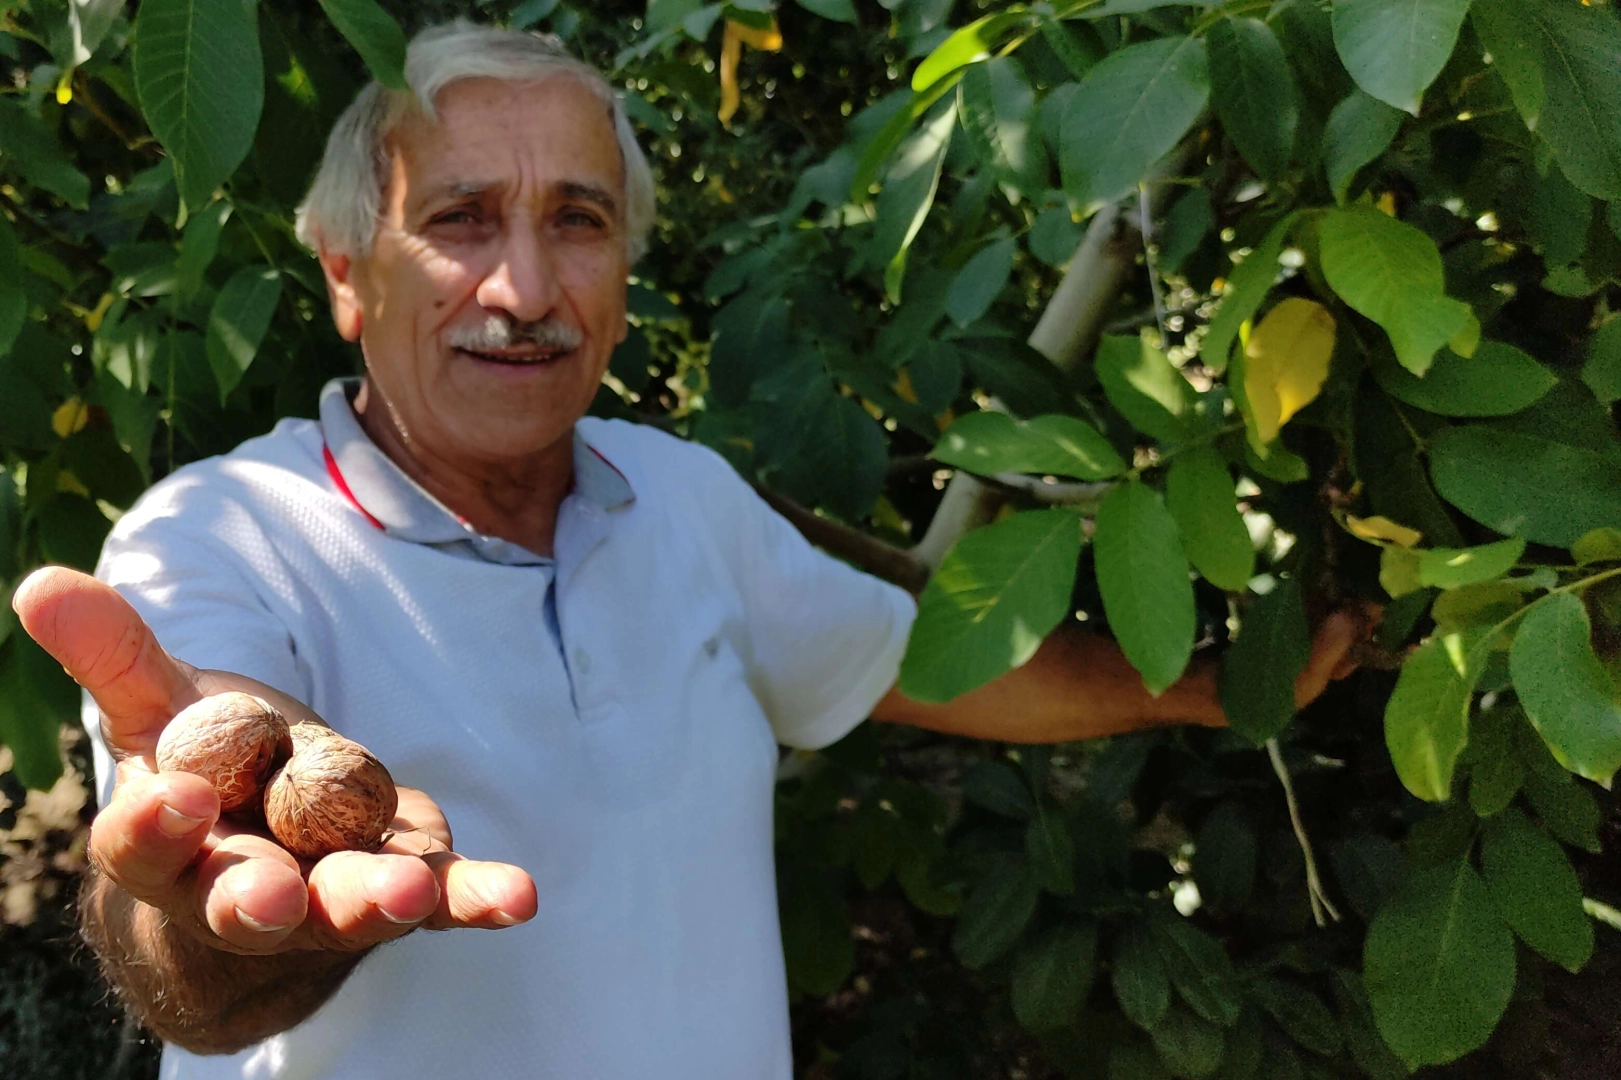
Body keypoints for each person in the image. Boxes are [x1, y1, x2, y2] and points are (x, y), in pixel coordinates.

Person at [10, 21, 1365, 1080]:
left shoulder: (681, 494)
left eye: (579, 223)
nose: (526, 291)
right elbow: (192, 940)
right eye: (462, 219)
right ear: (346, 271)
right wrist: (223, 883)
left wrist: (1222, 689)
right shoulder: (218, 536)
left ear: (624, 276)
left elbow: (928, 669)